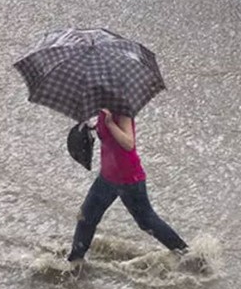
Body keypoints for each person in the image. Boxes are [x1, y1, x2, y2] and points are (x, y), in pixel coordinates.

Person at [67, 109, 188, 263]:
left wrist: (110, 124)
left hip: (128, 178)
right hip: (108, 177)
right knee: (86, 217)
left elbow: (129, 143)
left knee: (146, 221)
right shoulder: (103, 109)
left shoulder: (121, 110)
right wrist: (91, 127)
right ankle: (75, 262)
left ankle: (186, 254)